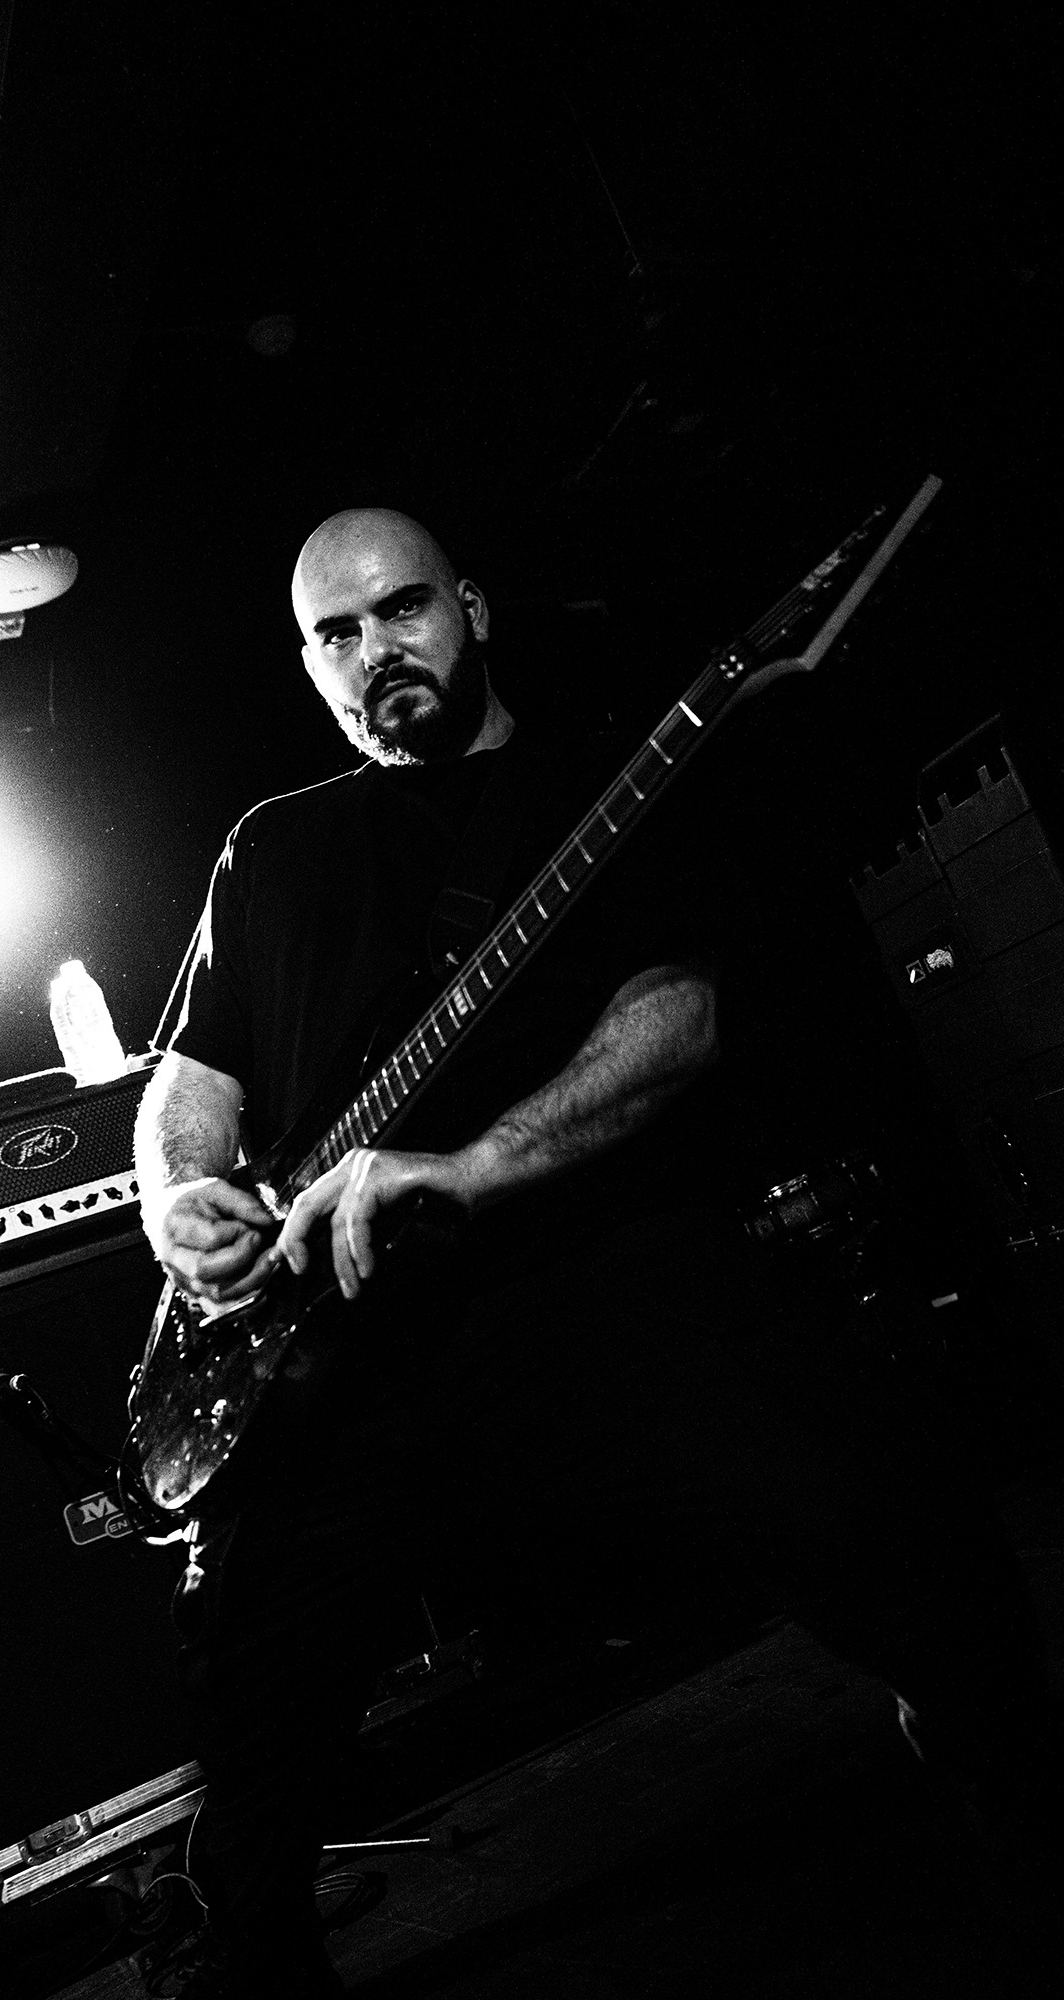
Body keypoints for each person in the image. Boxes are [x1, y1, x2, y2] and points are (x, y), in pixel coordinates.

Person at [134, 508, 1051, 1999]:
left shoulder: (610, 787)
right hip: (331, 1335)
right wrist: (180, 1199)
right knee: (246, 1697)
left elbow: (673, 1020)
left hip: (587, 1270)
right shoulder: (273, 847)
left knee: (903, 1539)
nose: (376, 651)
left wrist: (469, 1166)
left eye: (403, 609)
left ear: (473, 608)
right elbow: (192, 1079)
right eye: (336, 635)